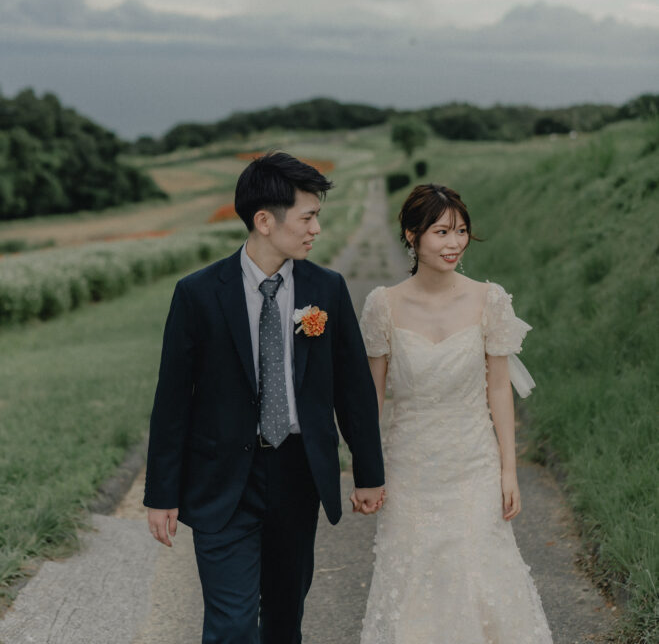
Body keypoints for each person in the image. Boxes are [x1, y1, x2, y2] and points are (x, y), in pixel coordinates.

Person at [144, 151, 385, 644]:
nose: (316, 228)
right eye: (308, 216)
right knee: (231, 625)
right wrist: (161, 494)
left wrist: (368, 472)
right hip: (221, 480)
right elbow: (172, 401)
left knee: (282, 620)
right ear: (264, 221)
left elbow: (353, 390)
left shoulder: (327, 289)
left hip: (298, 474)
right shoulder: (197, 293)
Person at [359, 183, 552, 644]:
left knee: (481, 574)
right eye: (441, 232)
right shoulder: (382, 305)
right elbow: (372, 399)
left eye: (461, 231)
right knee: (415, 580)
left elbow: (499, 389)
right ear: (412, 235)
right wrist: (367, 470)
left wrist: (509, 470)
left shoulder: (490, 300)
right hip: (409, 466)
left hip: (473, 463)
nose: (454, 243)